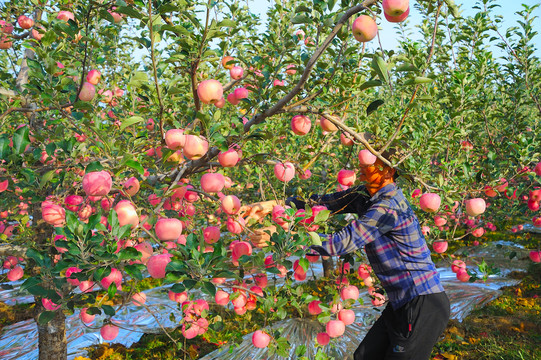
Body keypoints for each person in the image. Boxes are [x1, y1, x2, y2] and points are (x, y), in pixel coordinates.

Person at [245, 155, 450, 360]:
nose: (361, 165)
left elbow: (341, 243)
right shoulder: (365, 195)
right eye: (363, 160)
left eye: (370, 163)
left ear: (388, 171)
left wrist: (282, 238)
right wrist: (275, 204)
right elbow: (323, 202)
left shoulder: (388, 207)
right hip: (401, 302)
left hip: (422, 302)